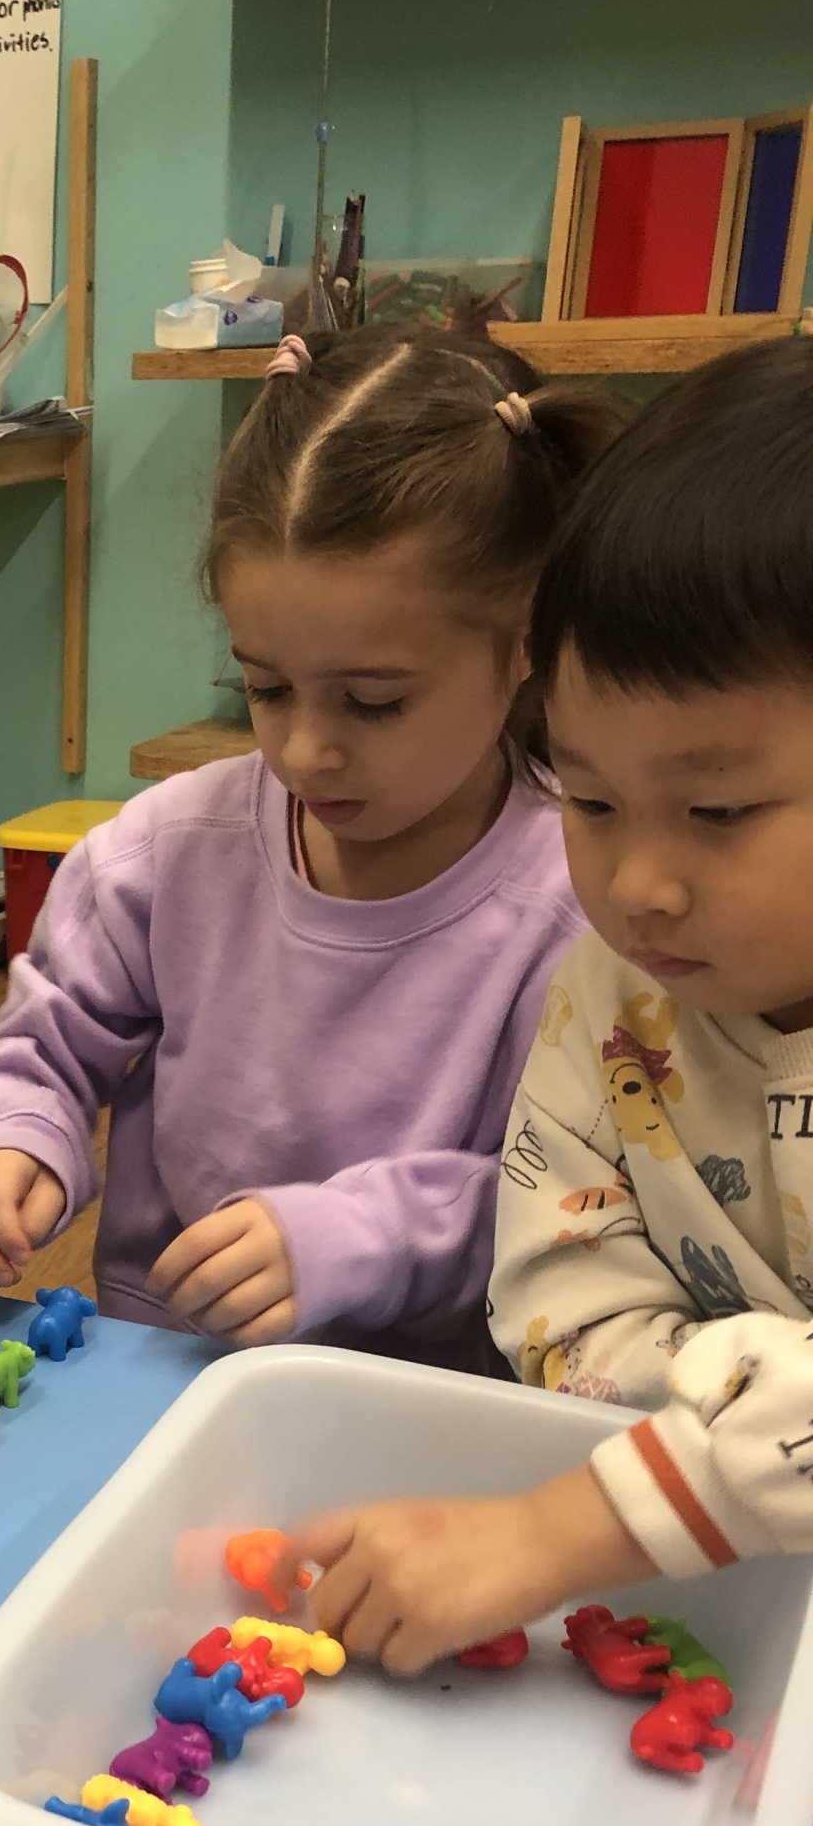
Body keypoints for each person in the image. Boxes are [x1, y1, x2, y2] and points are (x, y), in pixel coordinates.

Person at [0, 327, 627, 1371]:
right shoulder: (167, 851)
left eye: (374, 701)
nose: (305, 749)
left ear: (525, 642)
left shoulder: (585, 903)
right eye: (263, 686)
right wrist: (8, 1135)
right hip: (165, 1368)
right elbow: (42, 1045)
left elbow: (584, 1199)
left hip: (410, 1401)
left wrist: (363, 1237)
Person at [298, 337, 813, 1671]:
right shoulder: (614, 998)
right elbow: (561, 1310)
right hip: (722, 1593)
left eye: (717, 811)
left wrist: (563, 1532)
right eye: (589, 800)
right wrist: (734, 1436)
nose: (637, 885)